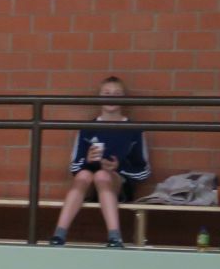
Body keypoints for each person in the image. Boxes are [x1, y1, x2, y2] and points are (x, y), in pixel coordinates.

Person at [49, 76, 150, 248]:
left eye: (117, 94)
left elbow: (144, 171)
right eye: (107, 93)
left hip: (117, 185)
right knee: (83, 175)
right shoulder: (88, 129)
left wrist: (119, 167)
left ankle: (115, 237)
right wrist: (87, 160)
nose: (111, 97)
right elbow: (74, 167)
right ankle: (59, 235)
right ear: (99, 97)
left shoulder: (134, 130)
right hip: (90, 186)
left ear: (124, 99)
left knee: (102, 175)